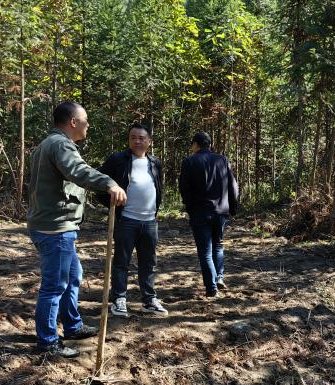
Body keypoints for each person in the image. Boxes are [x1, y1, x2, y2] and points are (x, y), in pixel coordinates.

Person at [26, 101, 127, 358]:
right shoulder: (60, 145)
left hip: (53, 224)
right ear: (73, 122)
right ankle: (48, 342)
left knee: (73, 275)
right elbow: (78, 171)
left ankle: (72, 325)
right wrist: (109, 183)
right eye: (85, 120)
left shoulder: (48, 144)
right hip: (55, 228)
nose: (88, 125)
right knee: (54, 285)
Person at [98, 123, 167, 318]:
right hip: (126, 220)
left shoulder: (155, 163)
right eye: (133, 137)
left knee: (149, 262)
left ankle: (149, 300)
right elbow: (100, 182)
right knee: (121, 262)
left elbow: (158, 187)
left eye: (141, 138)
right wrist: (111, 202)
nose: (137, 141)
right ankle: (119, 299)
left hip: (150, 221)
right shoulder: (118, 159)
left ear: (149, 141)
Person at [178, 131, 239, 298]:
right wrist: (233, 207)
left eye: (192, 145)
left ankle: (212, 288)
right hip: (221, 211)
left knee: (205, 251)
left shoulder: (189, 161)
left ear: (196, 144)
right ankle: (219, 277)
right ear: (210, 144)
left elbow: (184, 188)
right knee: (218, 245)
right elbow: (233, 185)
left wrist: (190, 208)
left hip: (200, 213)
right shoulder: (222, 160)